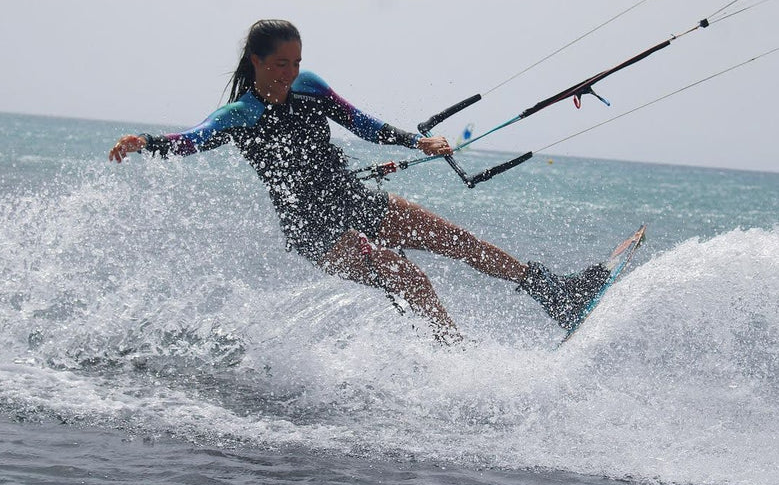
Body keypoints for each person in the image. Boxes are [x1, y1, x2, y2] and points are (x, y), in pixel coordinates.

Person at [109, 19, 608, 344]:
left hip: (354, 199)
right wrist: (146, 142)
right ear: (256, 62)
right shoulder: (241, 114)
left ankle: (554, 295)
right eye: (280, 63)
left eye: (296, 61)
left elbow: (364, 123)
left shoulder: (310, 88)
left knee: (458, 241)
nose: (290, 71)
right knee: (406, 275)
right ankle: (458, 360)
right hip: (315, 229)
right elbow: (192, 140)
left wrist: (418, 142)